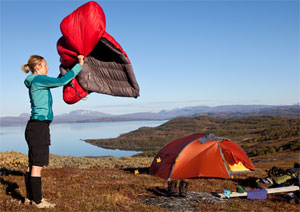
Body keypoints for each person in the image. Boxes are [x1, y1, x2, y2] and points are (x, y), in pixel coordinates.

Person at [22, 55, 84, 208]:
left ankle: (30, 198)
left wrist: (66, 70)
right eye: (46, 65)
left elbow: (56, 80)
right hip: (39, 128)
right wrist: (79, 65)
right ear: (39, 66)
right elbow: (61, 82)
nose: (48, 67)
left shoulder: (36, 81)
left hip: (34, 127)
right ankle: (38, 201)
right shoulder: (38, 80)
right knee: (37, 166)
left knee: (32, 164)